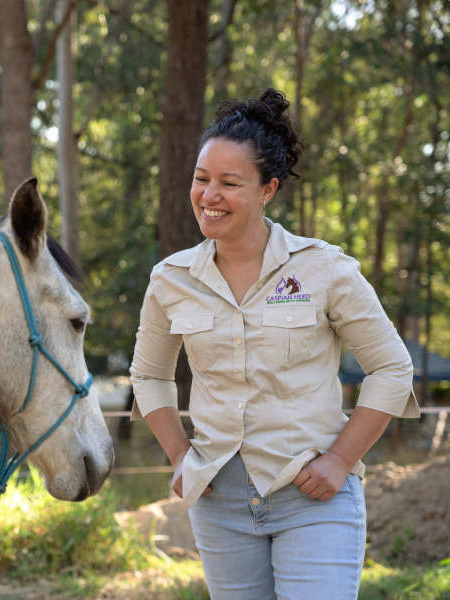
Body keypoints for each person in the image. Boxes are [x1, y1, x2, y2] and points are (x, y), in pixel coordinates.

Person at [129, 88, 419, 599]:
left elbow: (392, 369)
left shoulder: (325, 269)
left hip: (314, 499)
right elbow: (149, 376)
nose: (208, 195)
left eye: (229, 183)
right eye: (201, 179)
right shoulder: (169, 279)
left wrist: (339, 462)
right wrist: (179, 457)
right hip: (218, 502)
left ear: (268, 189)